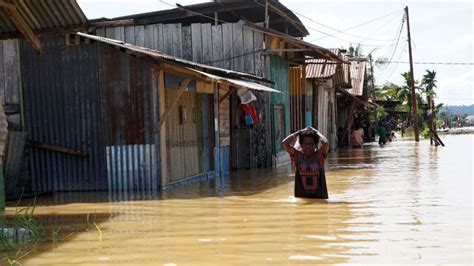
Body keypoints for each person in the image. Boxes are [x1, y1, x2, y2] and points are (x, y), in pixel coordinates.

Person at [282, 127, 329, 199]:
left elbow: (325, 143)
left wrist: (316, 132)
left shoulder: (319, 156)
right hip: (301, 198)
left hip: (319, 197)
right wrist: (299, 132)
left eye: (311, 144)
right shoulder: (297, 156)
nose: (308, 146)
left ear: (315, 145)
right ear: (301, 145)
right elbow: (284, 143)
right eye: (305, 144)